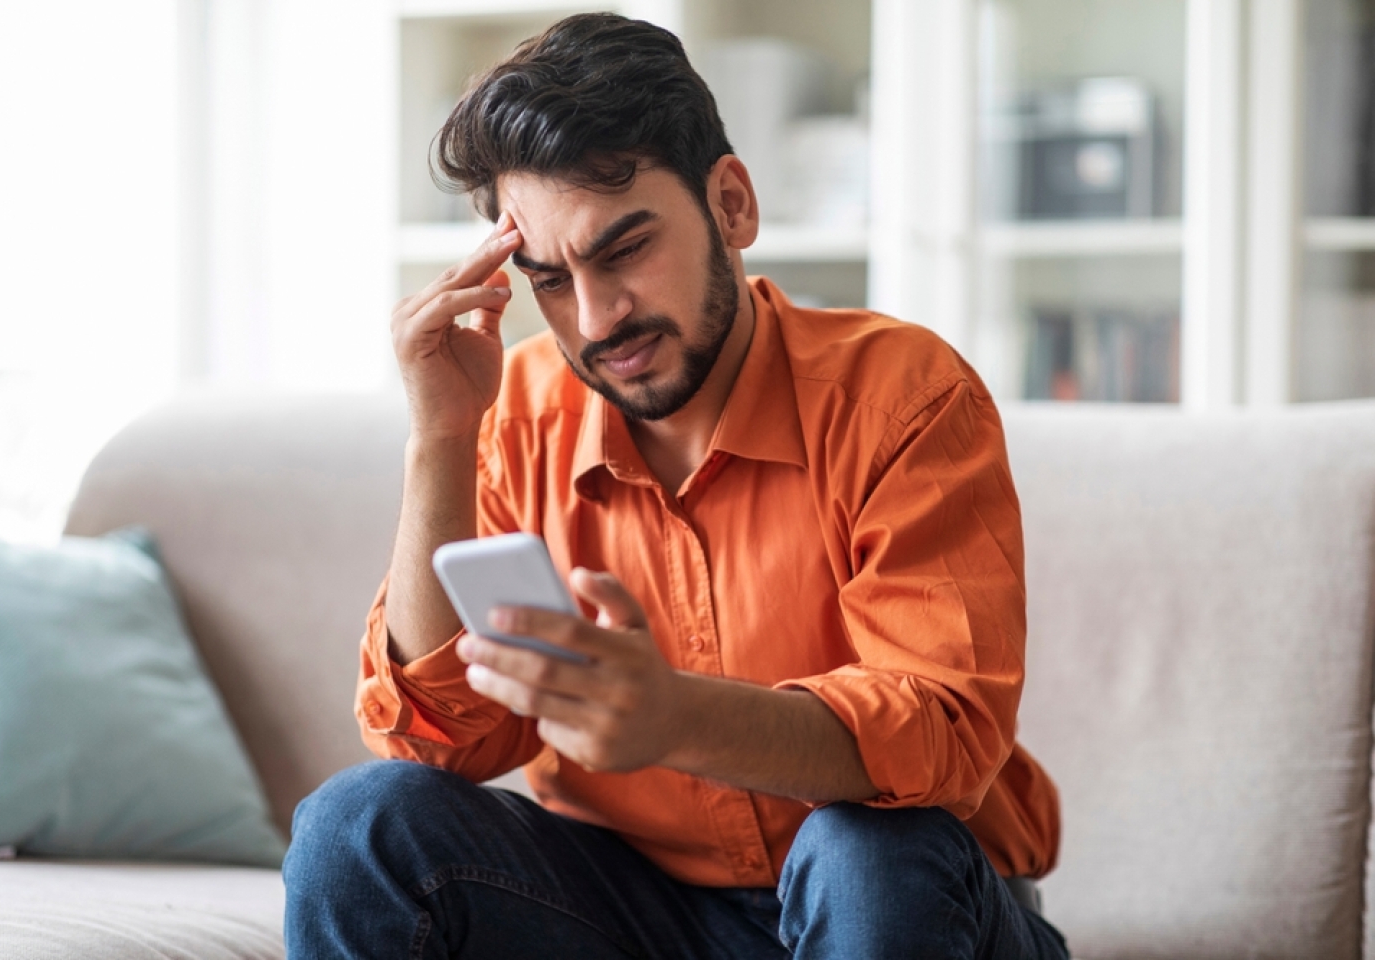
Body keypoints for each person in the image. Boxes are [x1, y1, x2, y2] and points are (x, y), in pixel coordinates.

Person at [283, 12, 1067, 959]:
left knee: (865, 847)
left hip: (907, 904)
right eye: (550, 280)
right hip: (634, 909)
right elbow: (439, 744)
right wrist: (440, 437)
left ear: (731, 204)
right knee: (361, 823)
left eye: (623, 251)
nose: (598, 317)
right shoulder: (516, 410)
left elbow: (946, 733)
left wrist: (674, 716)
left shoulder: (901, 396)